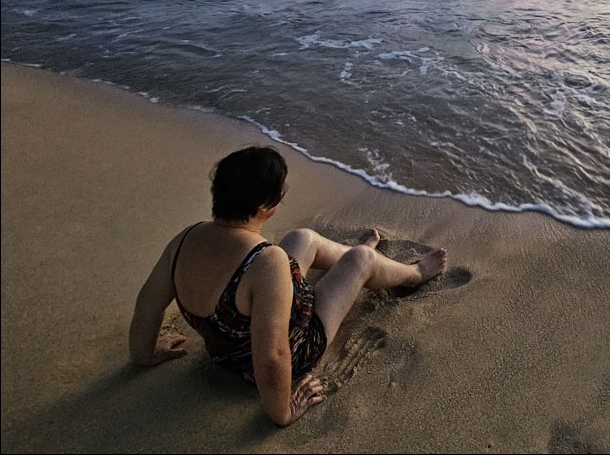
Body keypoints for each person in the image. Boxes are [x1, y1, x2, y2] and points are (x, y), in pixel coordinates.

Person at [129, 145, 447, 427]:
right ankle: (414, 273)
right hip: (291, 351)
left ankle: (357, 264)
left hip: (225, 349)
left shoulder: (186, 238)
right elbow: (272, 356)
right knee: (361, 259)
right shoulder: (266, 262)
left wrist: (144, 355)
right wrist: (282, 411)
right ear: (265, 206)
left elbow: (147, 305)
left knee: (301, 238)